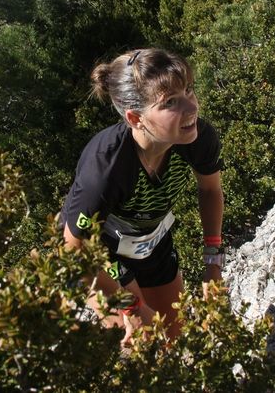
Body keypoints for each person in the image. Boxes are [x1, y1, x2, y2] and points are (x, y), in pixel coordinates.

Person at [60, 48, 225, 344]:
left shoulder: (198, 138)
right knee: (136, 341)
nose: (191, 108)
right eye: (170, 102)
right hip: (101, 254)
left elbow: (210, 189)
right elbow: (75, 248)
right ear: (136, 118)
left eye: (189, 90)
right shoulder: (106, 168)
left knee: (172, 338)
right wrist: (132, 307)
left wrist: (213, 261)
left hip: (152, 243)